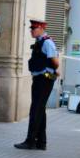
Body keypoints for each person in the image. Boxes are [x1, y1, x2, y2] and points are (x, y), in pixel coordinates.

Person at [15, 19, 59, 150]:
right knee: (40, 110)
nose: (31, 31)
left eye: (33, 29)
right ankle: (41, 142)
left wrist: (54, 69)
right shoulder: (40, 42)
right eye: (31, 28)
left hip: (44, 79)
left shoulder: (47, 42)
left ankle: (30, 141)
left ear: (41, 29)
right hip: (40, 79)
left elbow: (55, 62)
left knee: (36, 109)